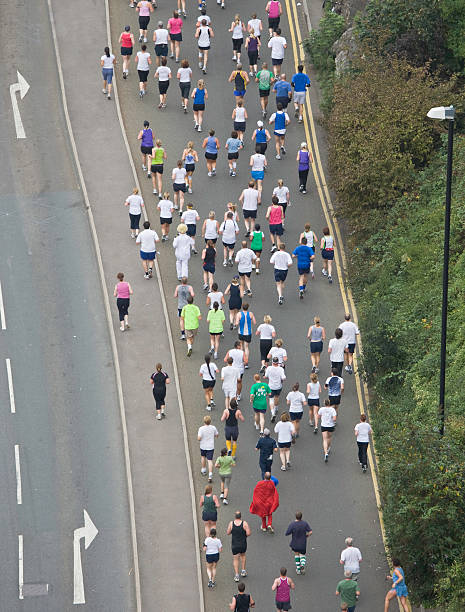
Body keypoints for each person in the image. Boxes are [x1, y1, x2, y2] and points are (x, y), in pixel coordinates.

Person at [227, 512, 251, 581]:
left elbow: (228, 532)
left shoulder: (231, 523)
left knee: (235, 559)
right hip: (243, 544)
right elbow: (248, 533)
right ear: (240, 516)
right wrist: (245, 535)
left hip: (234, 544)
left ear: (235, 516)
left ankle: (237, 575)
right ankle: (243, 571)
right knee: (243, 556)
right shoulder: (244, 523)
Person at [198, 416, 219, 482]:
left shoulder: (201, 429)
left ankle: (203, 469)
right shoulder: (213, 428)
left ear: (204, 421)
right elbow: (217, 435)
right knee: (210, 460)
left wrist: (200, 438)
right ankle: (210, 474)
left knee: (203, 457)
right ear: (210, 421)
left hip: (203, 446)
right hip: (210, 446)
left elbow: (199, 438)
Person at [265, 357, 286, 421]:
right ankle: (276, 408)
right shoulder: (281, 369)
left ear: (272, 362)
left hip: (271, 386)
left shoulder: (269, 368)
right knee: (276, 397)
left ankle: (272, 412)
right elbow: (283, 378)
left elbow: (265, 376)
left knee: (271, 399)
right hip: (278, 386)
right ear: (278, 362)